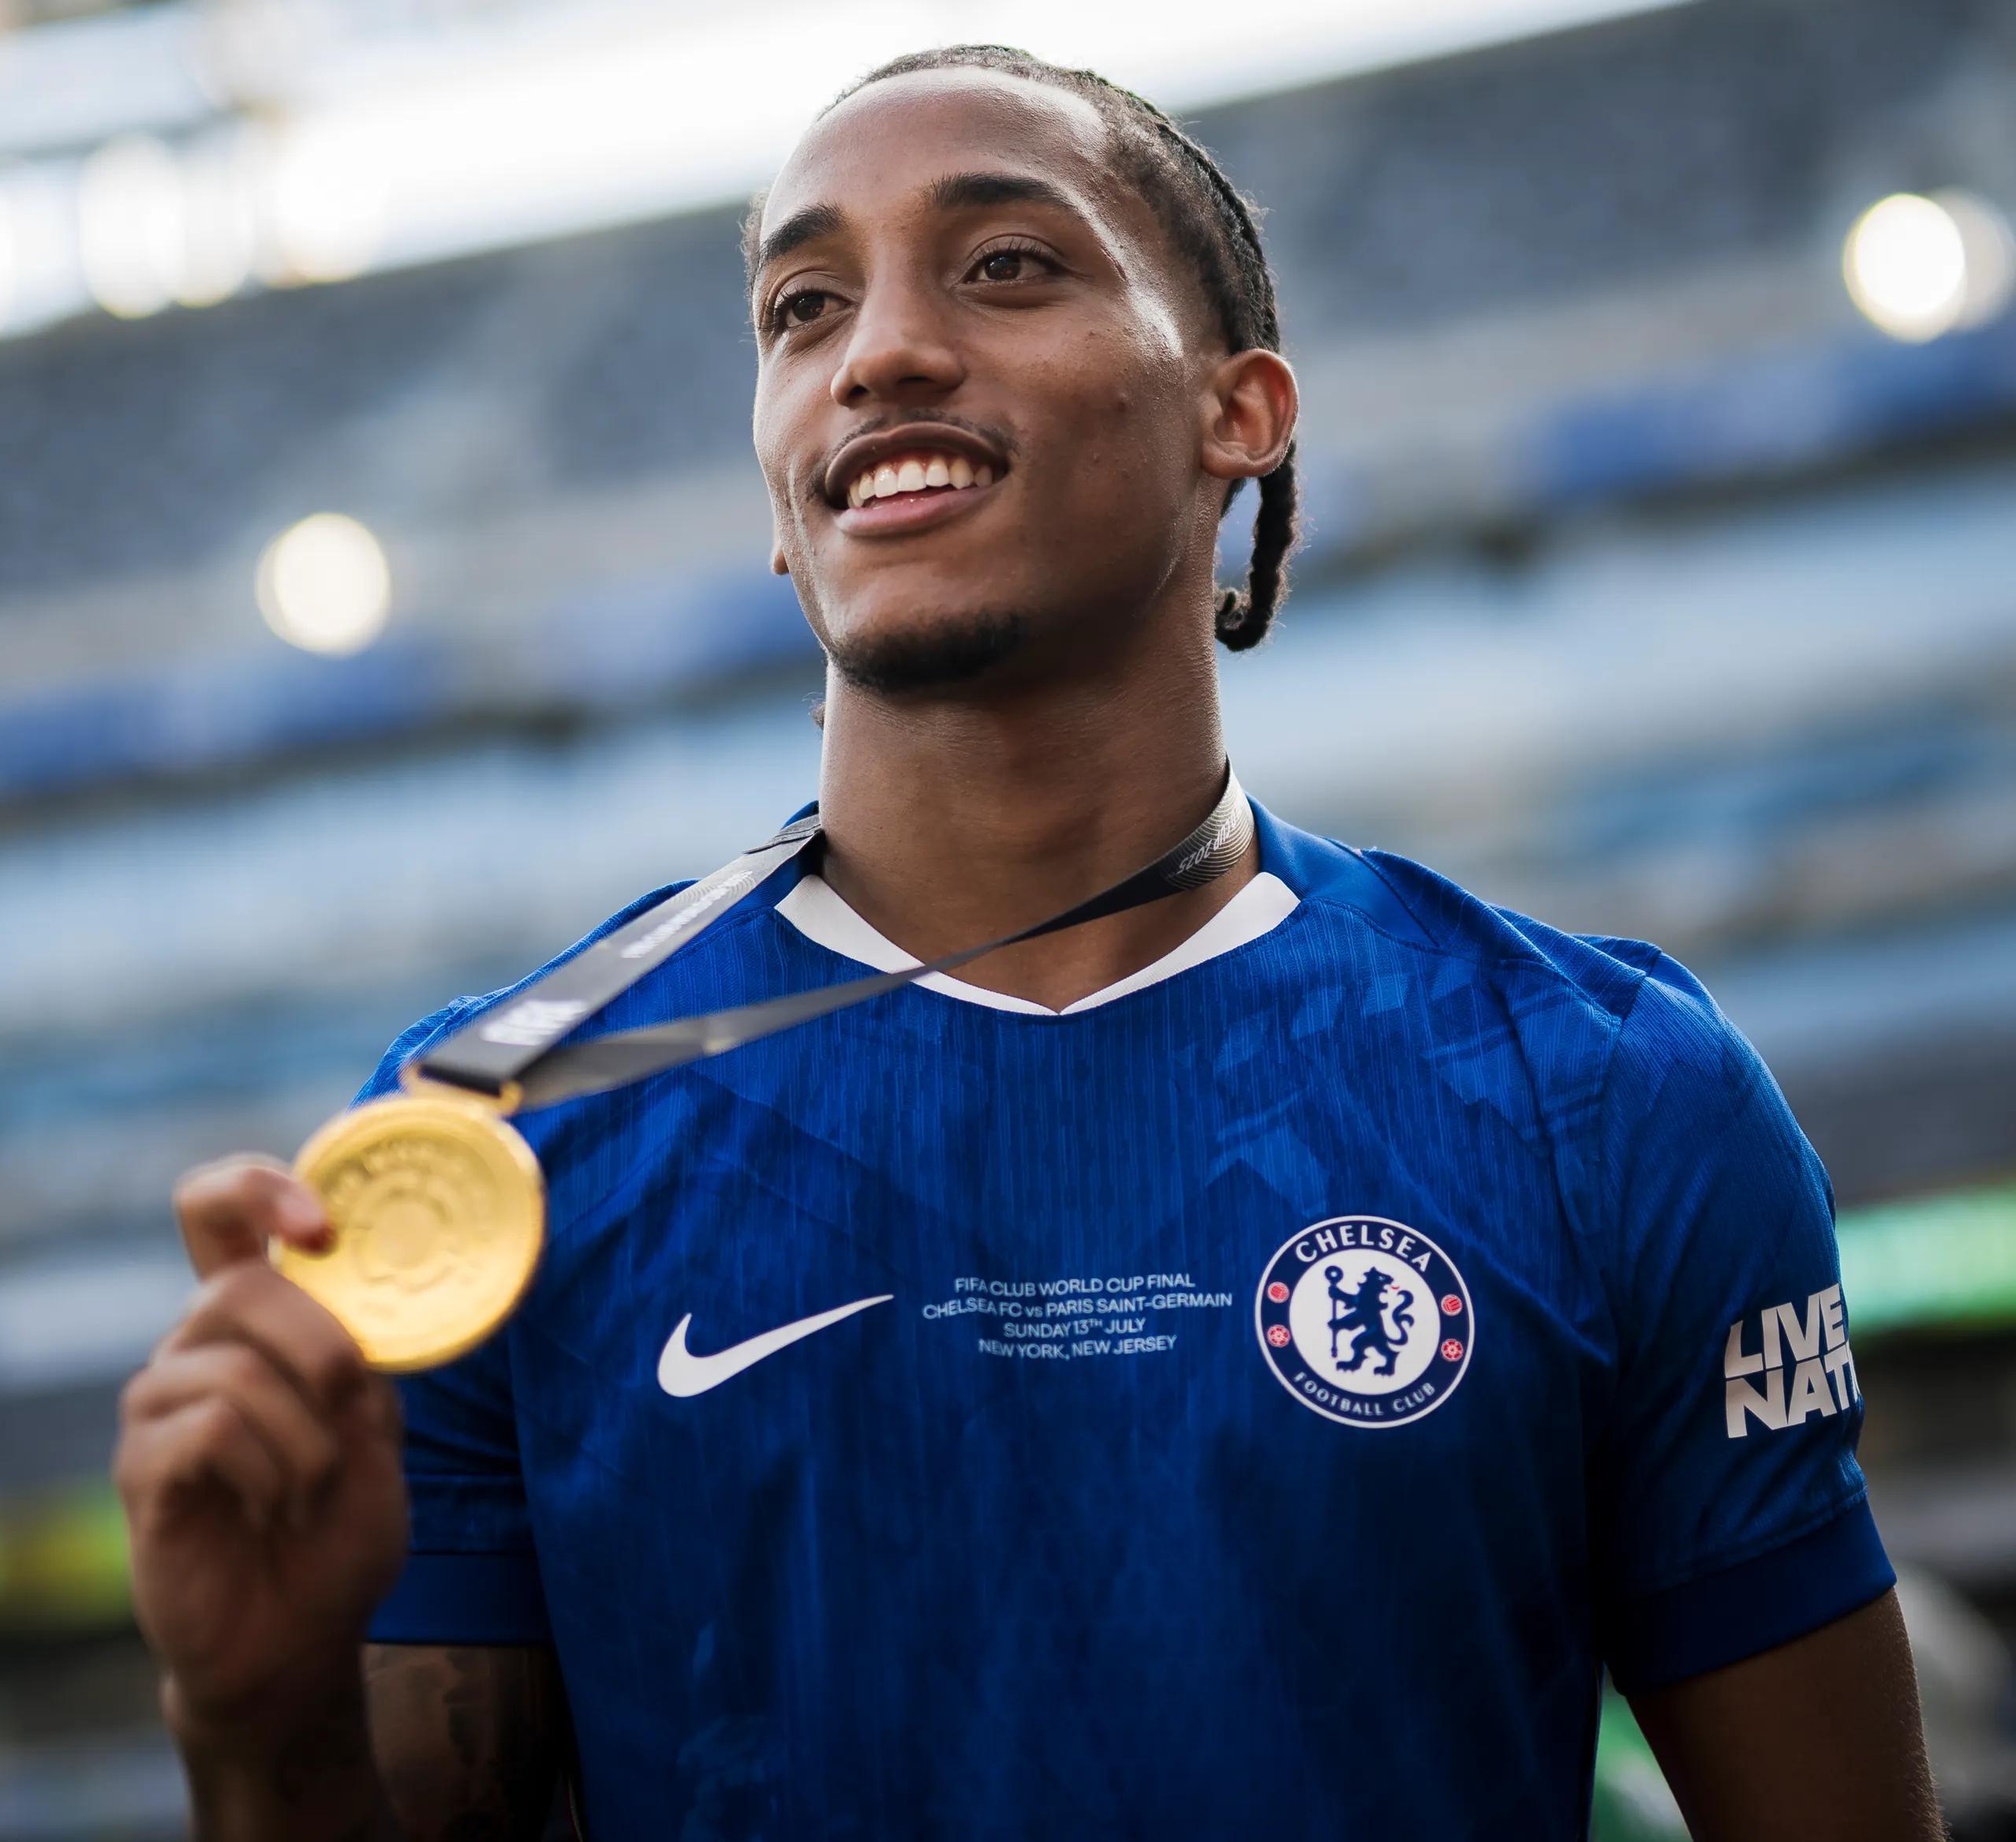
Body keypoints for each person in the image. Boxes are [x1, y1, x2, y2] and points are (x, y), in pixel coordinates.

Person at [114, 45, 1946, 1840]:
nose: (879, 352)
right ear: (775, 490)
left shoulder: (1604, 1092)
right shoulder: (484, 1150)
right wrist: (255, 1729)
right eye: (801, 309)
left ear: (1242, 412)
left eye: (1005, 265)